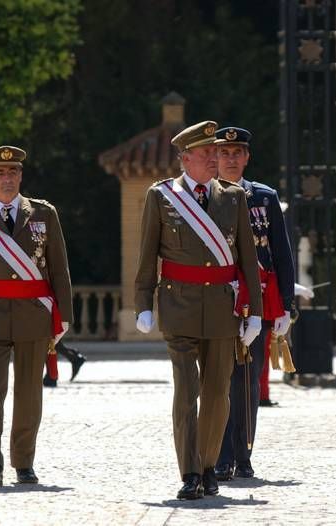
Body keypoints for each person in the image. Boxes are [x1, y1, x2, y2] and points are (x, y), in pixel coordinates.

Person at [134, 120, 262, 500]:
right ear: (185, 158)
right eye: (206, 153)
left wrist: (254, 311)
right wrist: (143, 304)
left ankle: (208, 465)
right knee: (186, 392)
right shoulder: (162, 198)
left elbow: (247, 260)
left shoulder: (233, 197)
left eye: (217, 152)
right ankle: (190, 472)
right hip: (179, 305)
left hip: (222, 309)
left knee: (217, 393)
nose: (214, 159)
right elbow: (147, 257)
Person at [0, 145, 72, 487]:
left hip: (33, 315)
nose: (6, 179)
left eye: (12, 172)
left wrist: (63, 316)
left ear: (21, 175)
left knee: (29, 393)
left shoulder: (43, 214)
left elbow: (59, 270)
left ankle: (24, 462)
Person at [211, 126, 294, 481]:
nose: (231, 159)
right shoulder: (203, 198)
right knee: (218, 380)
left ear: (246, 158)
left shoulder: (264, 197)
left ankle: (243, 454)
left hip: (257, 302)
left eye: (237, 153)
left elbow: (281, 253)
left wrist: (287, 306)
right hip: (216, 300)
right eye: (224, 154)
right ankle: (220, 455)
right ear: (214, 158)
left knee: (247, 381)